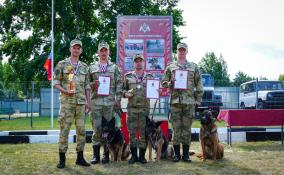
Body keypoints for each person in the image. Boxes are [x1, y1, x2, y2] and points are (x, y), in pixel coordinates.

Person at [161, 42, 204, 162]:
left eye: (183, 50)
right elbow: (163, 82)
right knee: (176, 129)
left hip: (189, 103)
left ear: (187, 51)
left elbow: (199, 84)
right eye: (179, 50)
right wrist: (170, 83)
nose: (181, 52)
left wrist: (198, 99)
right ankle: (176, 155)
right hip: (175, 102)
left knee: (186, 129)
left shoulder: (194, 67)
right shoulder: (171, 67)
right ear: (177, 51)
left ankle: (185, 155)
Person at [54, 38, 91, 168]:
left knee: (81, 130)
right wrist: (65, 91)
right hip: (67, 103)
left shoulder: (84, 67)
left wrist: (88, 102)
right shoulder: (62, 64)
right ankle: (62, 159)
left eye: (78, 48)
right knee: (64, 130)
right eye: (74, 47)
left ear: (81, 50)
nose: (76, 50)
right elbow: (55, 83)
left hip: (81, 103)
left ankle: (80, 158)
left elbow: (87, 86)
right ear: (70, 49)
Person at [89, 41, 122, 164]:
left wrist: (118, 99)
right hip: (96, 103)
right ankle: (96, 156)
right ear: (98, 52)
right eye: (101, 50)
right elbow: (86, 84)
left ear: (109, 52)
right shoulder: (91, 68)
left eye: (105, 50)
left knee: (109, 130)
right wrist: (93, 84)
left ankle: (106, 155)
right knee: (97, 129)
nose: (103, 53)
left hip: (109, 104)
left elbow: (119, 83)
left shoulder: (114, 67)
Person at [122, 54, 153, 164]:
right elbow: (122, 91)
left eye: (140, 61)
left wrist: (156, 92)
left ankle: (142, 157)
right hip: (132, 109)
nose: (138, 63)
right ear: (134, 63)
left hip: (145, 109)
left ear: (144, 63)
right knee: (132, 134)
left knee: (144, 133)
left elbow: (155, 89)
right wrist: (125, 94)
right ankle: (134, 156)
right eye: (136, 61)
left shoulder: (150, 76)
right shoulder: (128, 76)